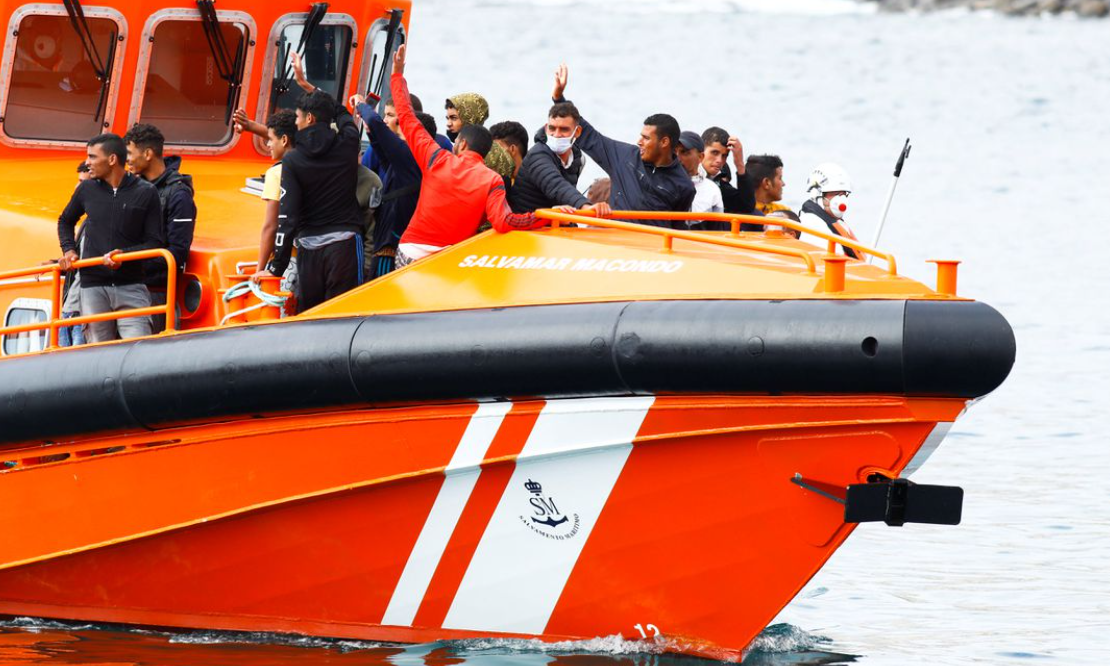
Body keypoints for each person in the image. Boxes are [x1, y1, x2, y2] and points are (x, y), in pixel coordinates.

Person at [386, 45, 572, 267]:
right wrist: (548, 215)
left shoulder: (437, 158)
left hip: (411, 252)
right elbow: (505, 222)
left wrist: (397, 74)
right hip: (448, 260)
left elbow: (407, 117)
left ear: (462, 143)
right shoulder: (491, 179)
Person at [253, 89, 364, 311]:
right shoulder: (349, 142)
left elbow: (288, 218)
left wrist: (276, 268)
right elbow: (346, 120)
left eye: (297, 116)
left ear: (309, 118)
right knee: (344, 314)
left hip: (309, 251)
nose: (295, 121)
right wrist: (333, 105)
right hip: (345, 245)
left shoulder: (293, 160)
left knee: (310, 316)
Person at [550, 64, 694, 223]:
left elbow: (677, 226)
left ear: (664, 142)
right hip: (617, 241)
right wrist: (559, 99)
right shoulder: (624, 156)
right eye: (641, 136)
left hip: (653, 245)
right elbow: (589, 136)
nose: (639, 142)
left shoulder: (684, 186)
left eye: (646, 138)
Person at [57, 133, 165, 342]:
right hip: (92, 286)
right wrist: (69, 250)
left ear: (112, 159)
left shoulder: (146, 192)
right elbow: (65, 220)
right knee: (98, 353)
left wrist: (124, 255)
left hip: (131, 285)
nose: (87, 163)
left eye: (93, 157)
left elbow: (155, 242)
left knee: (139, 348)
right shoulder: (86, 190)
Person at [123, 123, 196, 332]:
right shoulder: (131, 189)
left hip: (155, 295)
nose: (125, 159)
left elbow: (177, 252)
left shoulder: (179, 195)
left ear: (147, 153)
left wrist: (129, 264)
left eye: (129, 153)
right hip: (125, 289)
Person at [352, 93, 427, 278]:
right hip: (384, 240)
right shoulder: (403, 159)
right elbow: (383, 152)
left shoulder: (410, 153)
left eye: (392, 116)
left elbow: (378, 125)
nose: (386, 120)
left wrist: (362, 106)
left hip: (390, 246)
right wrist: (371, 132)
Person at [508, 101, 607, 216]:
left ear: (577, 131)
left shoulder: (577, 158)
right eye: (552, 128)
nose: (556, 134)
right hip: (527, 225)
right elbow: (557, 185)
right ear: (546, 128)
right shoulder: (537, 155)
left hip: (555, 222)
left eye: (564, 129)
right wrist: (584, 205)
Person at [444, 91, 516, 185]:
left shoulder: (485, 152)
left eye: (454, 118)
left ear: (469, 118)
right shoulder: (469, 145)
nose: (448, 124)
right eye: (448, 118)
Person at [799, 162, 860, 259]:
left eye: (844, 194)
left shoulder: (837, 223)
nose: (841, 199)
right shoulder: (811, 223)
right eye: (835, 193)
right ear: (817, 194)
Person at [700, 127, 758, 230]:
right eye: (714, 153)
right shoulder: (684, 172)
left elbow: (746, 206)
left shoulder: (717, 181)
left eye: (724, 156)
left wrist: (739, 164)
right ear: (701, 150)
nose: (719, 160)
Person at [675, 131, 723, 228]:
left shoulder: (712, 190)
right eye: (674, 152)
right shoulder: (661, 182)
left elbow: (717, 230)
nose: (677, 158)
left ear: (700, 157)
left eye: (684, 152)